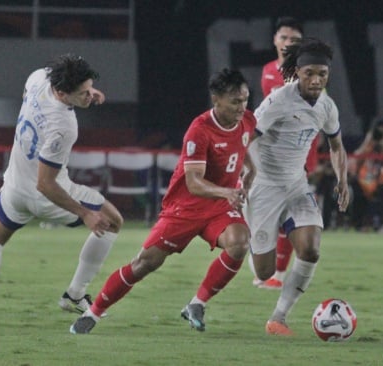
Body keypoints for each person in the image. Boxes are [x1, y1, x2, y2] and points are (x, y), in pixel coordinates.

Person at [0, 54, 123, 326]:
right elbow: (46, 184)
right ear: (61, 92)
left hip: (14, 186)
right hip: (48, 194)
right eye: (82, 93)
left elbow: (38, 90)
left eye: (89, 89)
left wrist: (86, 90)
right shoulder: (64, 126)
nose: (88, 97)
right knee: (114, 221)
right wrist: (84, 213)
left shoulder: (38, 77)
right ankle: (75, 294)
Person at [69, 69, 256, 334]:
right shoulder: (200, 129)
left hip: (218, 207)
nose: (242, 107)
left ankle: (197, 303)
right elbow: (193, 182)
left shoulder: (248, 120)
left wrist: (251, 170)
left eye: (245, 100)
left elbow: (244, 143)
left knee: (240, 243)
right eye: (235, 101)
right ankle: (94, 312)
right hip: (185, 207)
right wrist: (227, 192)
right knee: (145, 263)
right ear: (216, 99)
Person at [247, 38, 350, 336]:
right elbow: (246, 136)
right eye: (310, 74)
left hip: (295, 185)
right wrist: (246, 171)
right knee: (265, 272)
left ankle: (278, 318)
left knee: (310, 249)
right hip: (264, 187)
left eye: (322, 74)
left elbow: (337, 146)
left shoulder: (328, 107)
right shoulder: (278, 100)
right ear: (297, 72)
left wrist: (342, 179)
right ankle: (247, 228)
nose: (316, 80)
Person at [252, 16, 320, 290]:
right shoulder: (268, 70)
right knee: (267, 212)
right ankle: (269, 270)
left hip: (298, 153)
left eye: (294, 39)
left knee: (288, 214)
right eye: (283, 38)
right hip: (268, 154)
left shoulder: (308, 74)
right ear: (275, 40)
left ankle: (278, 274)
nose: (287, 43)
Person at [349, 119, 383, 232]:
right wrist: (367, 143)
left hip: (380, 183)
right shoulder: (366, 146)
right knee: (356, 189)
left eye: (382, 133)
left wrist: (382, 146)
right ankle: (359, 225)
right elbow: (355, 161)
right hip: (363, 181)